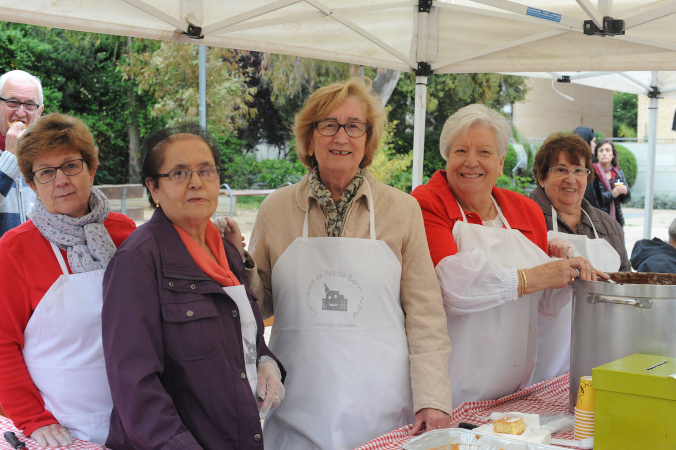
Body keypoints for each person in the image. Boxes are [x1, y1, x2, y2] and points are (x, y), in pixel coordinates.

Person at [248, 78, 452, 449]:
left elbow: (426, 315)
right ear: (310, 139)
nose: (341, 137)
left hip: (383, 410)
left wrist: (433, 400)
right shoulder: (275, 209)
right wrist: (239, 266)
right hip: (297, 407)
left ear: (367, 140)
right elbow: (257, 309)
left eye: (354, 126)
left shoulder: (402, 210)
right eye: (328, 125)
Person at [102, 123, 285, 450]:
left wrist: (267, 363)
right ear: (153, 188)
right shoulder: (137, 261)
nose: (196, 182)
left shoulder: (227, 252)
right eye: (179, 173)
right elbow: (135, 387)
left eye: (206, 170)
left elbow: (246, 336)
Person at [411, 104, 606, 408]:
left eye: (485, 152)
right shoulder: (427, 202)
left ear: (501, 163)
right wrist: (533, 276)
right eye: (461, 150)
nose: (471, 162)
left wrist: (569, 275)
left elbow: (542, 303)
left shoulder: (525, 209)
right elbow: (448, 286)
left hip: (516, 387)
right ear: (447, 158)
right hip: (449, 389)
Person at [0, 113, 136, 447]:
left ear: (92, 168)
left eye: (71, 166)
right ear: (32, 184)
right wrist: (33, 419)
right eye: (46, 172)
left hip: (139, 415)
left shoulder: (126, 233)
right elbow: (3, 346)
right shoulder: (14, 250)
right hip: (62, 427)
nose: (61, 180)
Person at [529, 132, 630, 384]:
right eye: (561, 169)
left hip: (599, 358)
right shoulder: (524, 218)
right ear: (541, 176)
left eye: (579, 170)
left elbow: (626, 285)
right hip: (536, 365)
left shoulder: (607, 225)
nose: (571, 179)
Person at [0, 70, 44, 236]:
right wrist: (11, 156)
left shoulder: (48, 159)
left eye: (30, 105)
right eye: (12, 102)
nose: (20, 113)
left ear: (39, 112)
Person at [590, 140, 631, 227]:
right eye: (601, 151)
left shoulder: (618, 172)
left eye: (608, 150)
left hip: (616, 220)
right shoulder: (592, 172)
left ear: (613, 155)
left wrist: (625, 191)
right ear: (596, 155)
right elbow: (594, 200)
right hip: (598, 220)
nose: (604, 153)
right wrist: (612, 194)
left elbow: (625, 199)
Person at [573, 126, 599, 208]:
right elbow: (588, 196)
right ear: (586, 142)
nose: (595, 145)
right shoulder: (580, 166)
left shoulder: (589, 163)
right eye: (593, 142)